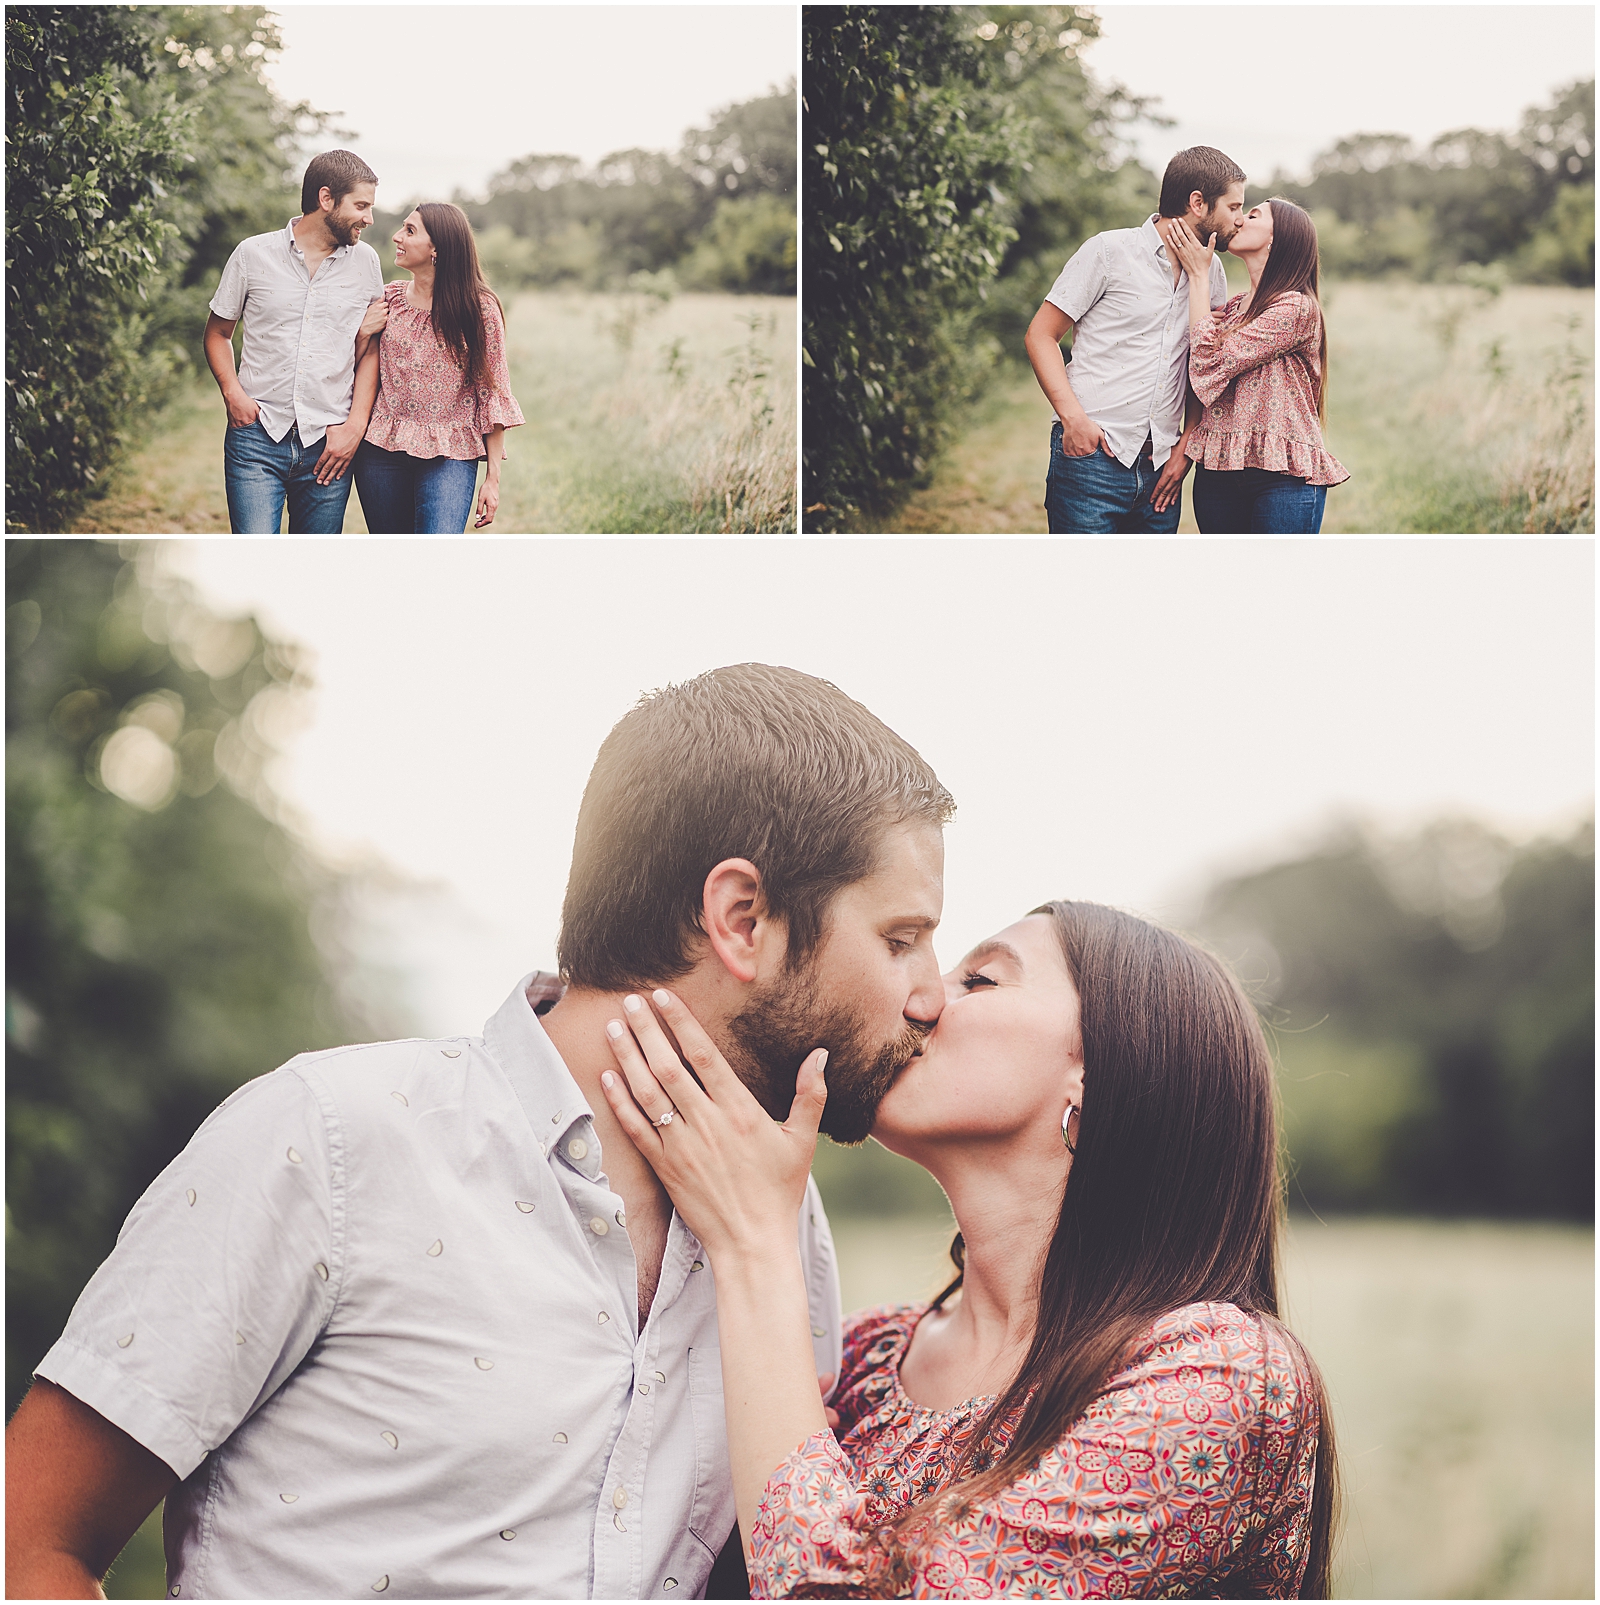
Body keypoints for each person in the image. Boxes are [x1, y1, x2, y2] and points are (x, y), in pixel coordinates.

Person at [4, 664, 954, 1601]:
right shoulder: (328, 1140)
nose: (931, 993)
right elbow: (27, 1545)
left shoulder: (785, 1233)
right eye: (901, 938)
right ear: (743, 919)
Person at [600, 900, 1339, 1599]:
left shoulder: (1221, 1378)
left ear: (1101, 1072)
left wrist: (754, 1244)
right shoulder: (861, 1358)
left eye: (980, 978)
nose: (919, 999)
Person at [1025, 146, 1244, 534]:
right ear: (1198, 203)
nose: (1239, 220)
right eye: (1233, 207)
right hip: (1091, 461)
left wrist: (1185, 450)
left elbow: (1201, 363)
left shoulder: (1211, 272)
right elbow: (1041, 335)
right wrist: (1074, 421)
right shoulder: (1109, 251)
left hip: (1162, 469)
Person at [204, 150, 386, 534]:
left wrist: (354, 427)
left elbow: (370, 348)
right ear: (325, 199)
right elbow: (218, 333)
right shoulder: (252, 254)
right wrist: (232, 394)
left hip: (329, 445)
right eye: (361, 205)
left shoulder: (366, 262)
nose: (369, 218)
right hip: (256, 439)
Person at [1162, 198, 1349, 532]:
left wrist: (1199, 277)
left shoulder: (1295, 308)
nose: (1238, 221)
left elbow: (1207, 363)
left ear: (1277, 238)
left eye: (1252, 215)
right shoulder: (1233, 309)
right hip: (1218, 472)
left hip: (1281, 478)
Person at [353, 203, 525, 533]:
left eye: (410, 230)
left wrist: (492, 479)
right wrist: (362, 333)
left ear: (437, 248)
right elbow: (359, 368)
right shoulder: (388, 299)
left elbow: (493, 392)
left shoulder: (479, 309)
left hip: (450, 454)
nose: (396, 237)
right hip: (381, 453)